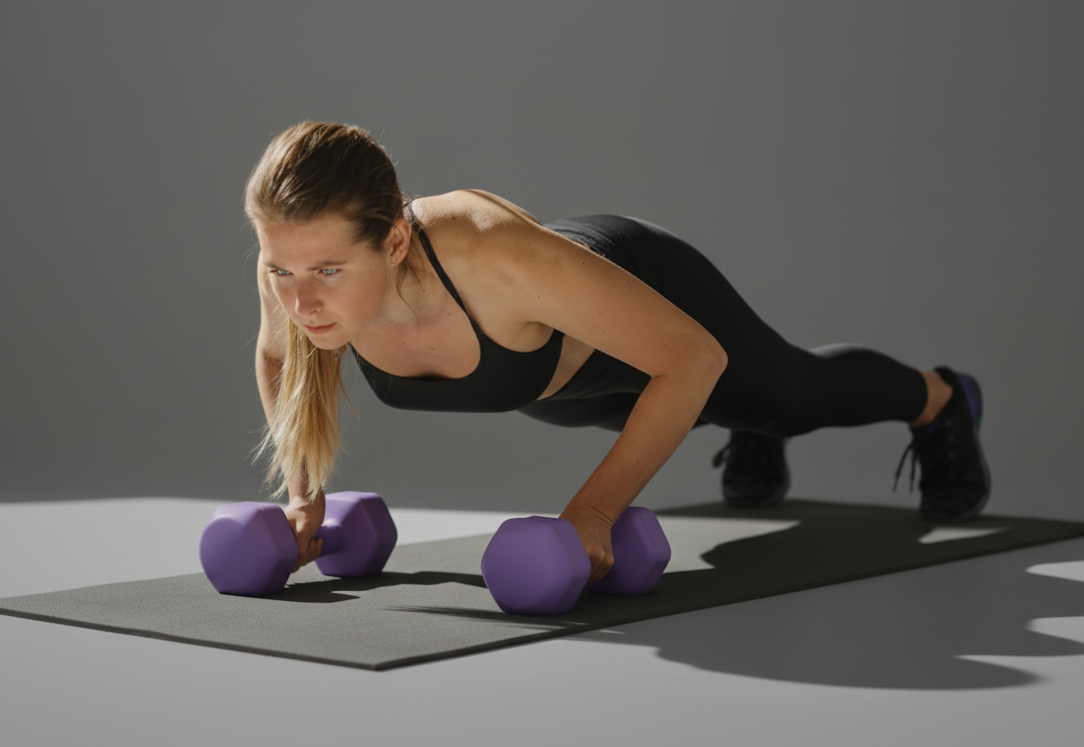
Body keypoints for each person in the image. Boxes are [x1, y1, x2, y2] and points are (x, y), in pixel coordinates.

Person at [248, 122, 990, 581]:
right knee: (647, 416)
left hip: (647, 299)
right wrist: (304, 497)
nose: (300, 300)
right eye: (282, 270)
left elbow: (692, 359)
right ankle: (741, 428)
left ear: (397, 240)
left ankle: (942, 399)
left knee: (788, 399)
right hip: (563, 389)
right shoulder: (294, 260)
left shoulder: (493, 256)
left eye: (328, 272)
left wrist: (595, 511)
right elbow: (282, 359)